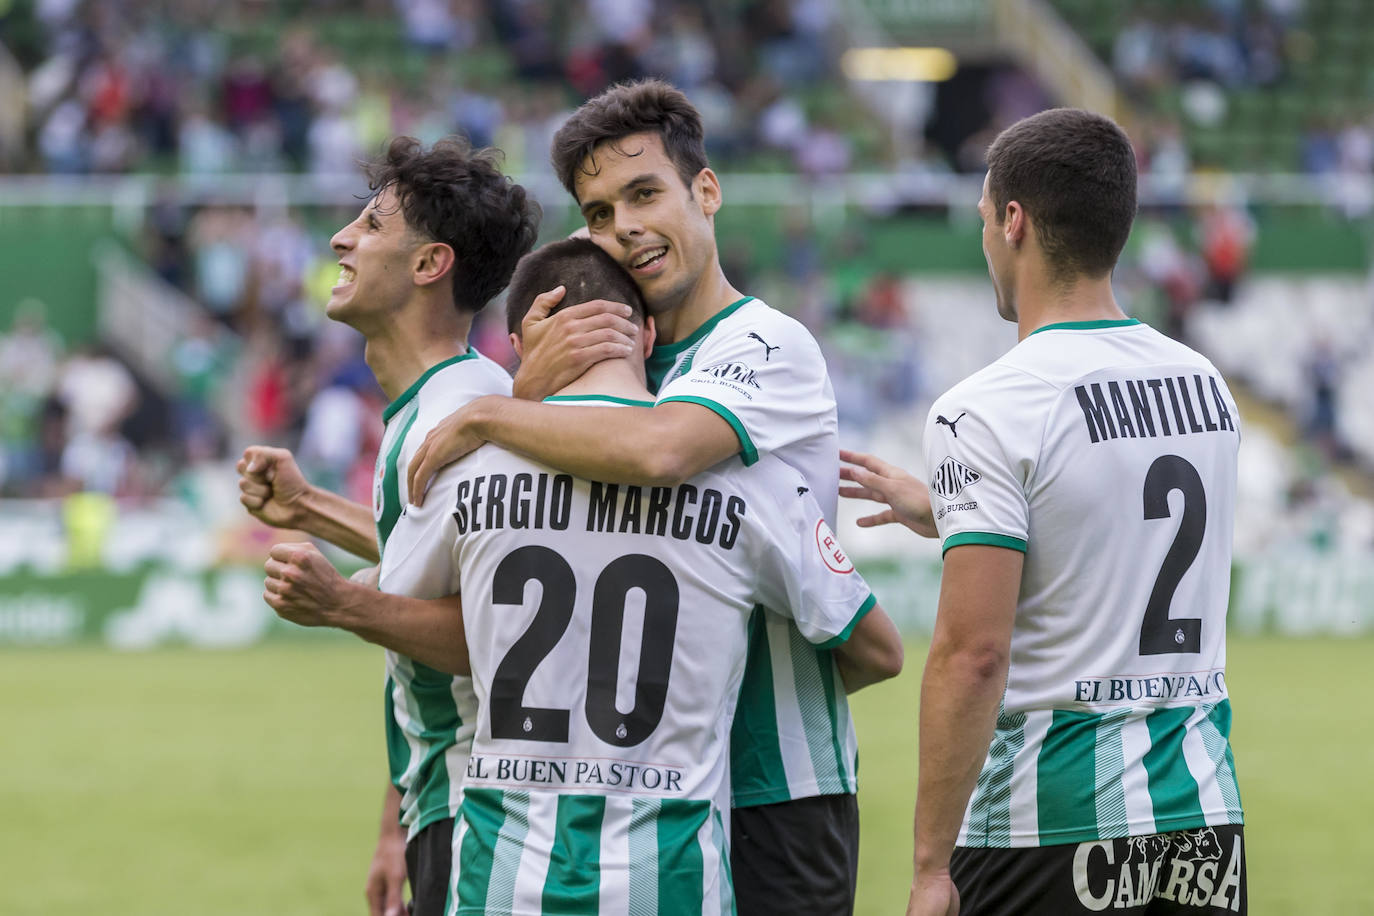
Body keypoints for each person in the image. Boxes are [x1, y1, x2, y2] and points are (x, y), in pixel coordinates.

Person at [405, 78, 873, 915]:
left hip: (776, 781)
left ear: (707, 190)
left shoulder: (765, 342)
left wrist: (492, 412)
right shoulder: (632, 371)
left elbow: (660, 453)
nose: (622, 228)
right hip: (657, 786)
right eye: (596, 213)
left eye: (644, 193)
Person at [841, 108, 1246, 915]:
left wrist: (929, 867)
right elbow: (1114, 523)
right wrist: (957, 513)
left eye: (985, 215)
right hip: (1204, 818)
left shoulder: (987, 408)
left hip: (1048, 823)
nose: (984, 234)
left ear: (1014, 222)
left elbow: (973, 655)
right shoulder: (1205, 384)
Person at [235, 135, 539, 916]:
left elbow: (502, 642)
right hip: (440, 801)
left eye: (371, 225)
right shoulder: (437, 409)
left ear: (429, 264)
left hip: (487, 816)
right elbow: (444, 561)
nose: (341, 239)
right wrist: (310, 510)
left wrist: (343, 605)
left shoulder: (470, 427)